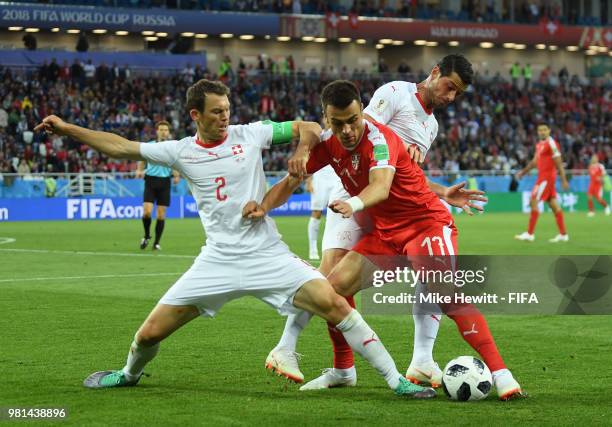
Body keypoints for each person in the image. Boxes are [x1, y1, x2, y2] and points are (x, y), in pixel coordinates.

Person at [34, 79, 434, 399]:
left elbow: (311, 126)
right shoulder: (179, 151)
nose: (225, 118)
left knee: (335, 303)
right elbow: (121, 147)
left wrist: (301, 148)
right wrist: (68, 129)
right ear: (196, 115)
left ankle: (395, 379)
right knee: (149, 334)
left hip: (267, 253)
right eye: (216, 112)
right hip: (217, 260)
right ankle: (127, 374)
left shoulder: (252, 133)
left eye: (227, 110)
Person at [264, 80, 523, 400]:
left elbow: (381, 186)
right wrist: (261, 207)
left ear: (362, 112)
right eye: (338, 123)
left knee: (444, 291)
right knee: (331, 290)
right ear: (327, 119)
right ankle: (344, 370)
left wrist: (354, 203)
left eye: (353, 120)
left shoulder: (380, 138)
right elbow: (295, 170)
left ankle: (501, 374)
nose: (347, 130)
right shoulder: (329, 143)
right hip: (386, 235)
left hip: (425, 224)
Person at [515, 123, 569, 242]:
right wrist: (522, 172)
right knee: (554, 206)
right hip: (542, 177)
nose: (542, 132)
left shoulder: (552, 143)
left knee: (533, 200)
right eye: (540, 130)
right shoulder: (539, 145)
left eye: (545, 130)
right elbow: (534, 162)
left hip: (547, 178)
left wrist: (563, 179)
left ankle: (529, 234)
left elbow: (559, 162)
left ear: (549, 131)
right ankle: (563, 234)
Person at [135, 121, 180, 251]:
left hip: (165, 182)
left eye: (166, 129)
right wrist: (139, 170)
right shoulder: (149, 146)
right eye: (161, 129)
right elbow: (142, 159)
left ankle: (156, 243)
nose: (163, 132)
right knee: (147, 212)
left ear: (169, 132)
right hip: (150, 181)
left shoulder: (172, 147)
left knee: (161, 215)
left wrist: (176, 175)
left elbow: (175, 163)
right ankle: (147, 235)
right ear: (157, 131)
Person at [306, 165, 337, 260]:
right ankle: (313, 250)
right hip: (320, 176)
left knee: (337, 212)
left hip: (336, 176)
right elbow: (310, 156)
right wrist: (308, 181)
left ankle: (334, 249)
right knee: (316, 213)